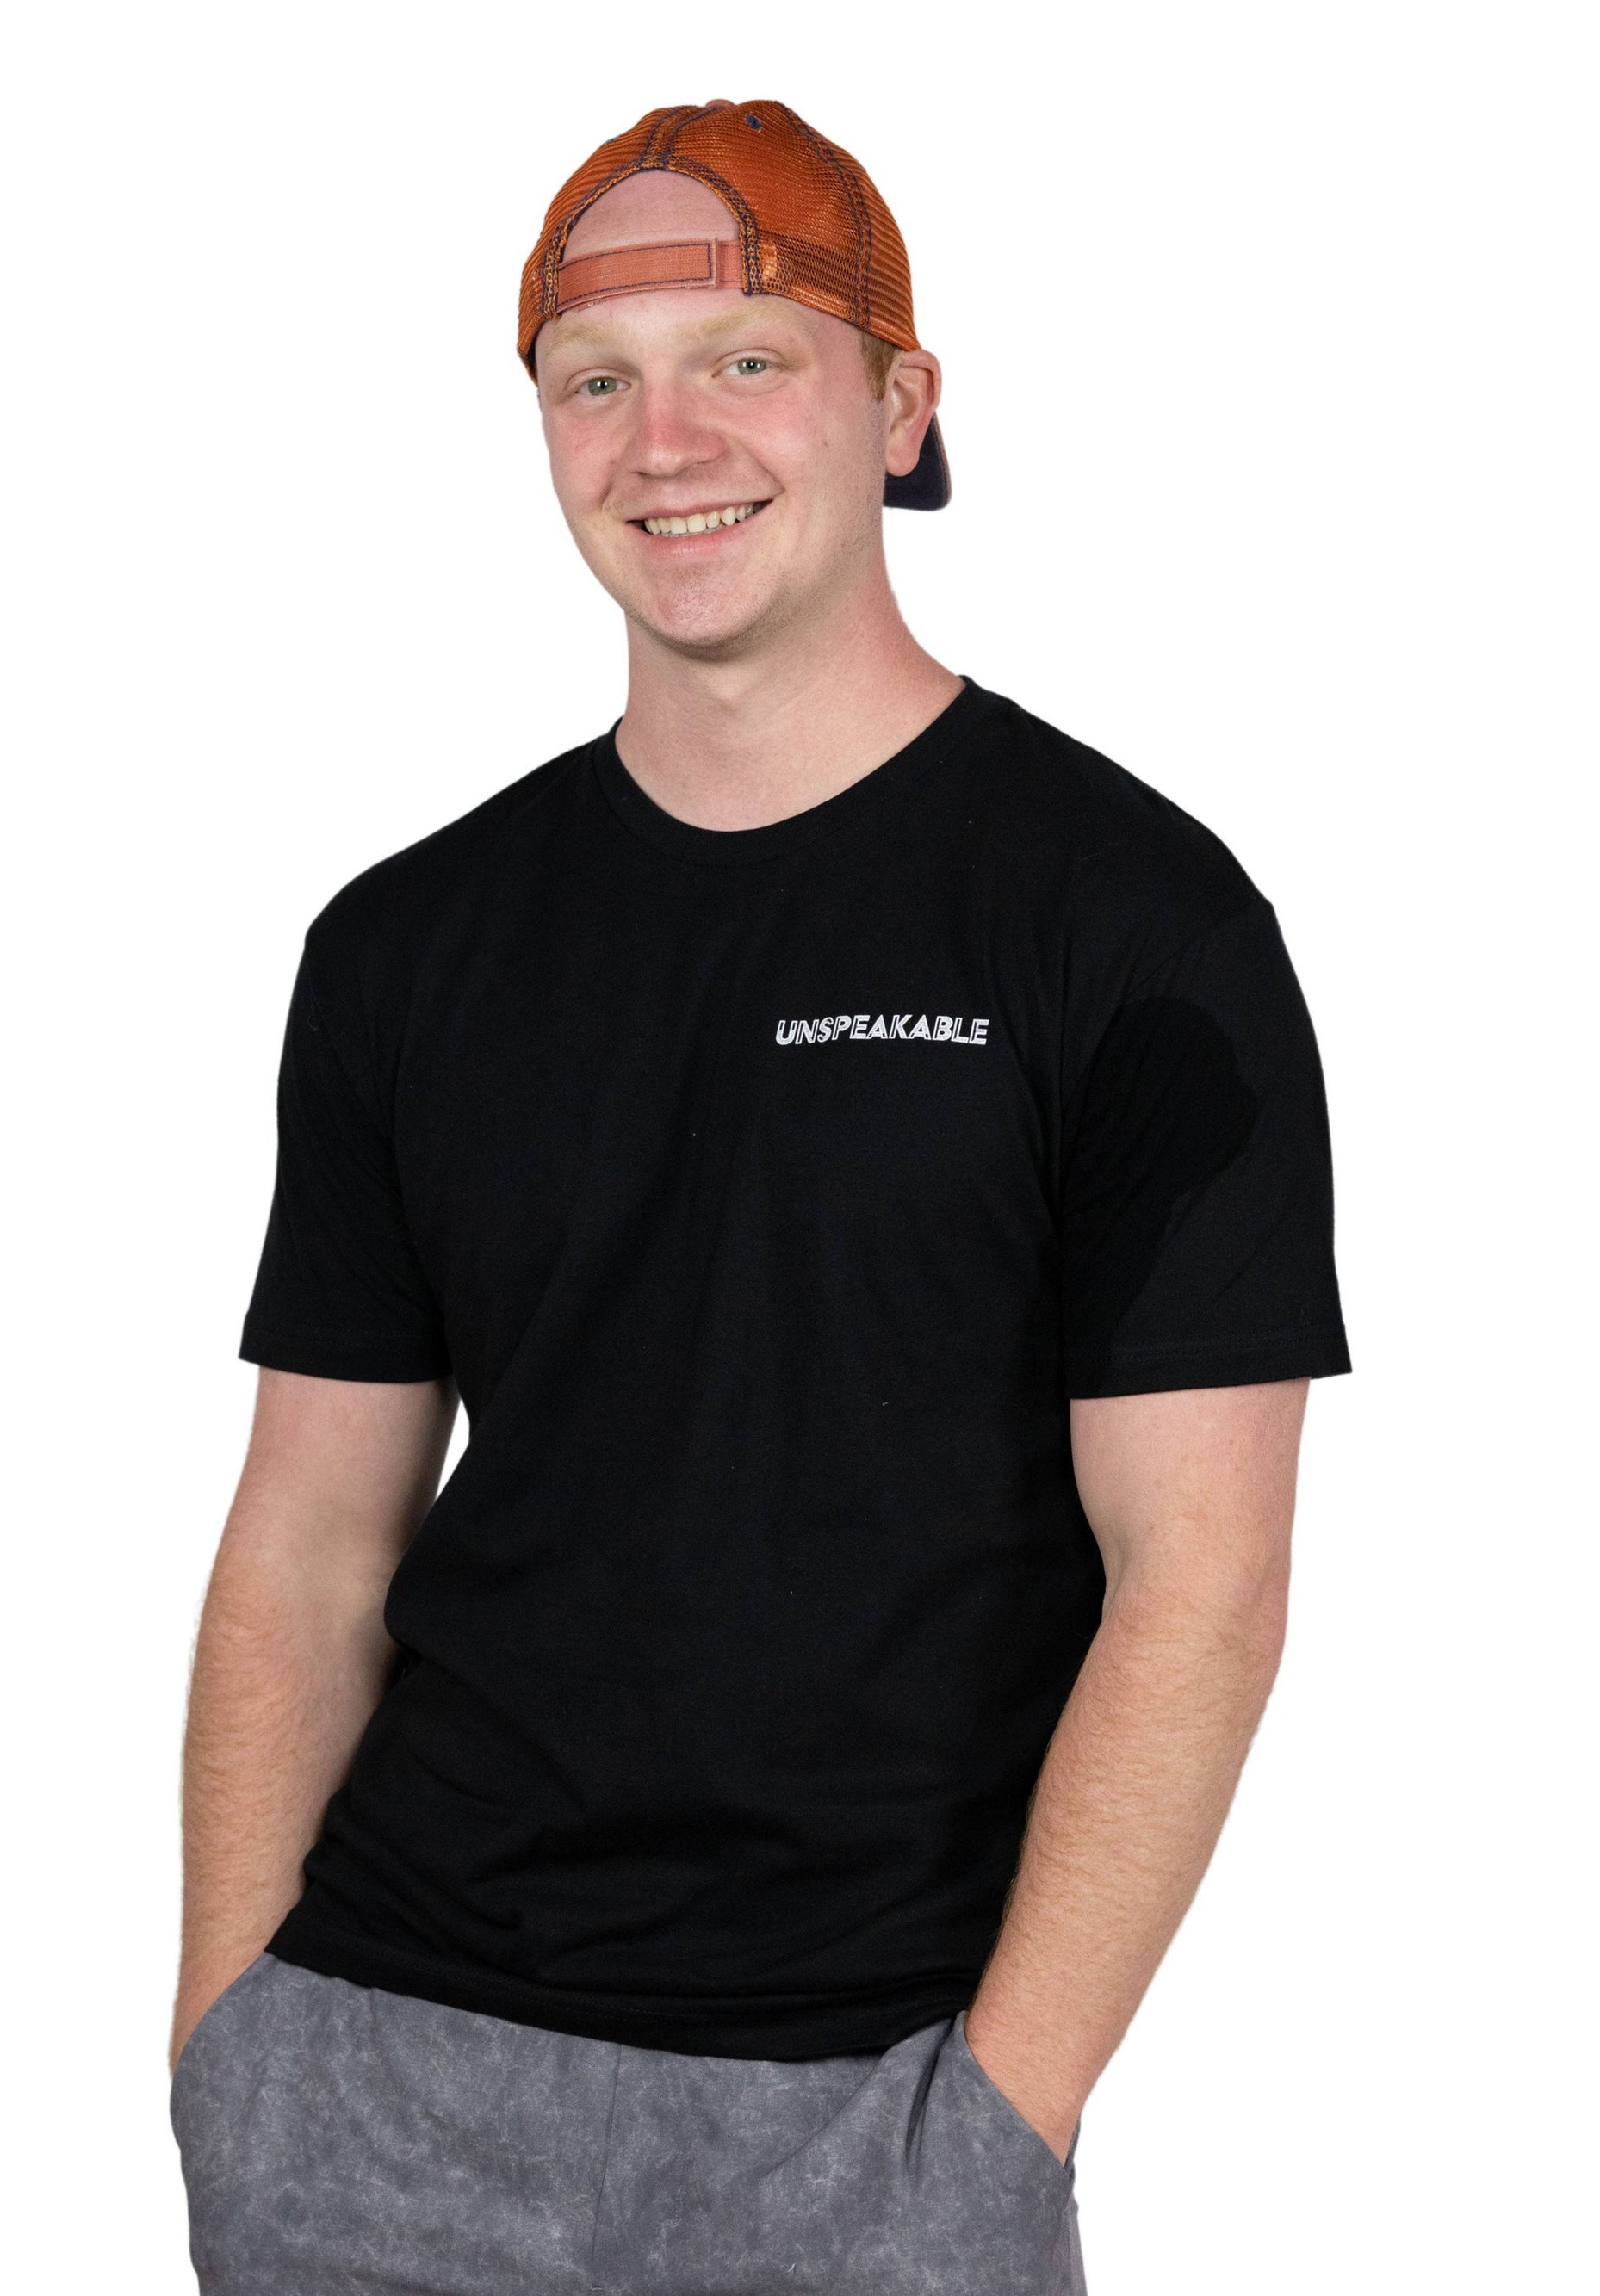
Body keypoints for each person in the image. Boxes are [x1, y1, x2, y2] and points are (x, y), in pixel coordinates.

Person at [169, 98, 1349, 2295]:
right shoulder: (407, 944)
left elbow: (1201, 1580)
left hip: (871, 2117)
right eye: (591, 379)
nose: (662, 441)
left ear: (899, 409)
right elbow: (313, 1531)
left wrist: (996, 2119)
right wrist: (231, 2049)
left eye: (744, 360)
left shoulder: (1134, 926)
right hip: (374, 2082)